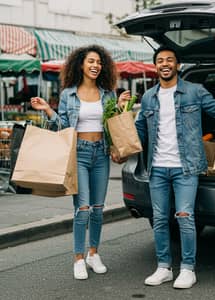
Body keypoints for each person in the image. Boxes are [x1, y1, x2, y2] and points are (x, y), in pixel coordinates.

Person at [117, 45, 215, 289]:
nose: (164, 63)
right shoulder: (149, 97)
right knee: (160, 219)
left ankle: (187, 269)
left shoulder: (194, 91)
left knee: (185, 217)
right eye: (160, 60)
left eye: (169, 60)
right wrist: (121, 138)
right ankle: (163, 267)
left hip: (186, 167)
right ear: (155, 66)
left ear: (177, 65)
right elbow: (139, 130)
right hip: (157, 169)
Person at [31, 45, 127, 280]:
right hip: (79, 154)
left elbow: (112, 124)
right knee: (82, 209)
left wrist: (123, 107)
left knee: (97, 209)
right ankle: (78, 258)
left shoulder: (108, 92)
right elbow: (64, 126)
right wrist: (48, 110)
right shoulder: (68, 94)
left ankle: (94, 253)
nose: (95, 66)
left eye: (99, 62)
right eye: (91, 62)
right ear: (81, 65)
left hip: (101, 154)